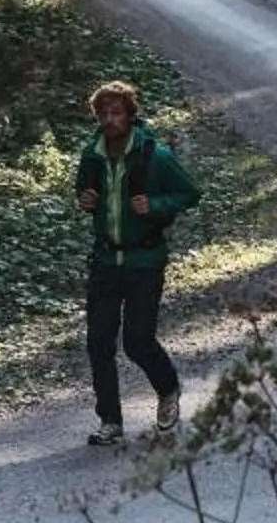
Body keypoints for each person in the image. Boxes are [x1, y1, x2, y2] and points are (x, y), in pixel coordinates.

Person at [75, 79, 201, 447]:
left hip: (145, 260)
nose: (109, 120)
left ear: (130, 115)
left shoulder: (154, 156)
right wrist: (85, 199)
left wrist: (156, 205)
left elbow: (189, 193)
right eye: (103, 114)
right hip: (105, 259)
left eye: (116, 113)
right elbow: (85, 193)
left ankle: (168, 389)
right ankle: (110, 421)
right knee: (99, 342)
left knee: (137, 341)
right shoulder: (92, 156)